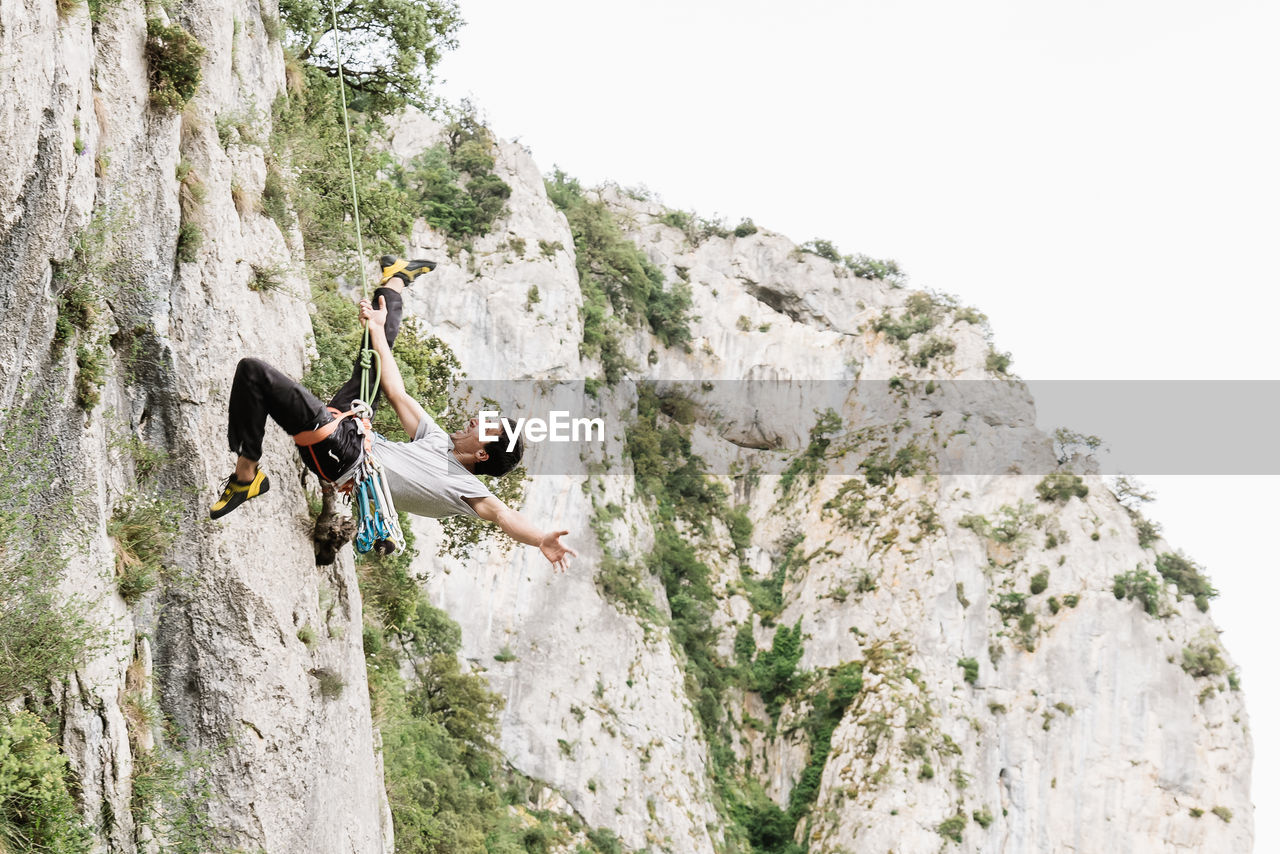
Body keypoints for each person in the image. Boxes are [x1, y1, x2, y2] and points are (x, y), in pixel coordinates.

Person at [210, 257, 576, 570]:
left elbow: (504, 516)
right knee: (372, 361)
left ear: (483, 453)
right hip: (354, 430)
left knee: (253, 372)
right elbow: (395, 390)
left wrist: (540, 537)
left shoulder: (467, 489)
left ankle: (246, 479)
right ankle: (396, 280)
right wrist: (377, 330)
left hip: (345, 456)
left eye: (487, 426)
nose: (476, 419)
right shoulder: (437, 439)